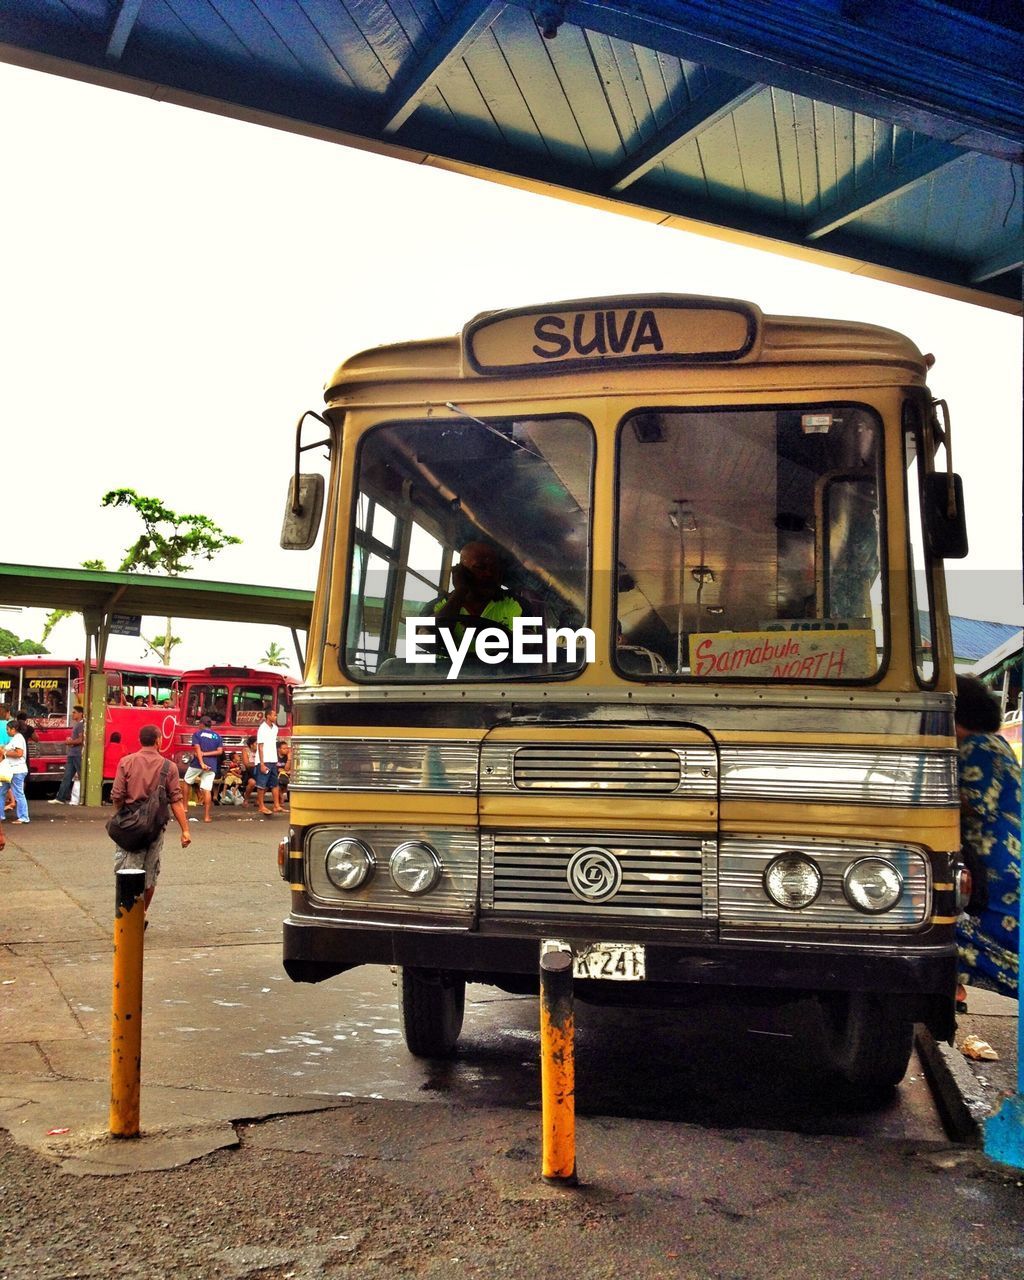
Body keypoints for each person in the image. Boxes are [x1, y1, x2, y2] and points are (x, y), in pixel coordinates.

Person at [955, 675, 1020, 1004]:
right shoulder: (998, 744)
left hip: (993, 866)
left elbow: (968, 802)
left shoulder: (976, 747)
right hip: (1003, 863)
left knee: (957, 933)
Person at [110, 723, 191, 916]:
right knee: (150, 872)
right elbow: (176, 801)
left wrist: (124, 814)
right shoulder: (169, 767)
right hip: (155, 827)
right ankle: (141, 914)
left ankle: (127, 915)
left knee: (127, 869)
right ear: (158, 741)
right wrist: (185, 830)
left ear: (140, 740)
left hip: (128, 825)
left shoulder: (126, 762)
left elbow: (117, 795)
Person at [432, 541, 523, 646]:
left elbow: (528, 647)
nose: (489, 574)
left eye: (494, 568)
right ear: (461, 571)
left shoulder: (518, 605)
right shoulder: (438, 606)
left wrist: (489, 636)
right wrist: (460, 592)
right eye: (480, 567)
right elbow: (427, 639)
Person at [183, 714, 223, 823]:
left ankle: (185, 807)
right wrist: (207, 754)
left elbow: (197, 750)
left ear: (201, 724)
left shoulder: (197, 734)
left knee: (187, 781)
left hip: (197, 763)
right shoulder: (217, 736)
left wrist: (201, 762)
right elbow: (220, 751)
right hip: (212, 764)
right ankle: (206, 816)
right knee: (207, 789)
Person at [48, 705, 85, 805]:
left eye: (74, 712)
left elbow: (81, 740)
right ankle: (60, 798)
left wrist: (70, 742)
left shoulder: (81, 725)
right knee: (67, 776)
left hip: (77, 754)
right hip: (72, 754)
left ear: (81, 714)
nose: (72, 714)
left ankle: (81, 797)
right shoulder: (77, 725)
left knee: (82, 776)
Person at [254, 705, 284, 816]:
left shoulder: (275, 728)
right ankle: (261, 806)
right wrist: (261, 763)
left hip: (272, 759)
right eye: (274, 715)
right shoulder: (262, 728)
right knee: (261, 784)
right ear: (268, 716)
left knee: (274, 783)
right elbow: (260, 746)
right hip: (264, 760)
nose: (276, 717)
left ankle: (277, 805)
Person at [0, 719, 30, 825]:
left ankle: (23, 817)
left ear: (14, 729)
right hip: (11, 771)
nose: (7, 731)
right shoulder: (15, 738)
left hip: (17, 770)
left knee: (18, 793)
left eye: (8, 729)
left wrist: (5, 752)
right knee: (1, 792)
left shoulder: (18, 738)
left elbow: (19, 753)